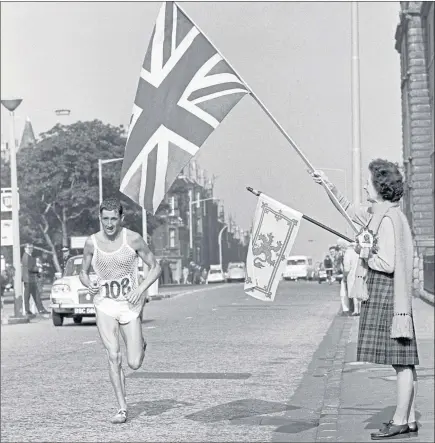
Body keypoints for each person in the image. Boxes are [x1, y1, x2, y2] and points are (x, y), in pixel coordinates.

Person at [312, 159, 419, 440]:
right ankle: (407, 419)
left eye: (368, 182)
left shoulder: (385, 220)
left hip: (388, 293)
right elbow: (347, 208)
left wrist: (363, 251)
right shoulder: (380, 213)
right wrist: (327, 184)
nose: (363, 185)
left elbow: (386, 263)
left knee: (402, 361)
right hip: (393, 294)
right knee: (403, 361)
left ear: (380, 187)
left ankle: (400, 421)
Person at [79, 197, 161, 424]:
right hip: (104, 304)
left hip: (130, 305)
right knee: (113, 355)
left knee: (134, 362)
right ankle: (122, 408)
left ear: (121, 219)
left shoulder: (132, 239)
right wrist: (89, 283)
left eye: (114, 219)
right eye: (105, 219)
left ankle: (140, 345)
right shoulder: (91, 243)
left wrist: (142, 289)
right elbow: (83, 272)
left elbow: (155, 266)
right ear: (99, 218)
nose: (109, 224)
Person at [21, 244, 49, 316]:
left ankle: (40, 309)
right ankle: (29, 310)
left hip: (31, 279)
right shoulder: (26, 257)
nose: (31, 249)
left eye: (31, 248)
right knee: (28, 295)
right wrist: (38, 270)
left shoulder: (28, 256)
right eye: (29, 248)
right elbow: (30, 268)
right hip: (28, 279)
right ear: (25, 249)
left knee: (36, 295)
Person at [343, 242, 360, 316]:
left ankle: (356, 310)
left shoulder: (348, 253)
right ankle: (361, 309)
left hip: (352, 274)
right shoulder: (360, 250)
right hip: (361, 273)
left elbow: (346, 267)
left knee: (354, 293)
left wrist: (345, 275)